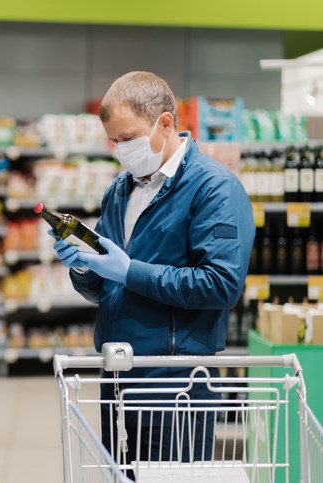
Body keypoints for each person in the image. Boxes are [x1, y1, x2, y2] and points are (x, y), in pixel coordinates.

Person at [49, 71, 255, 472]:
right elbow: (106, 287)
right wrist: (85, 268)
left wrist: (130, 272)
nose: (121, 150)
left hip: (175, 381)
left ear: (164, 123)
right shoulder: (120, 190)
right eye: (114, 142)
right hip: (119, 375)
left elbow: (221, 284)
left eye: (128, 138)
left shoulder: (215, 189)